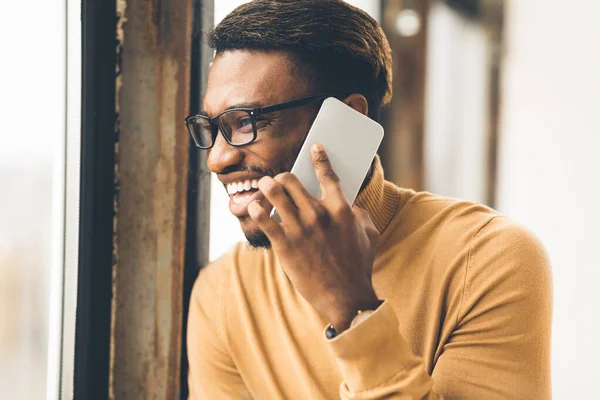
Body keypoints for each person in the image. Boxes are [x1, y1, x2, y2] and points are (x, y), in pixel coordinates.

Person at [186, 1, 552, 398]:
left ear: (344, 120)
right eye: (212, 126)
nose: (217, 160)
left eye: (246, 122)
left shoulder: (488, 260)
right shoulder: (223, 293)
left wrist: (351, 309)